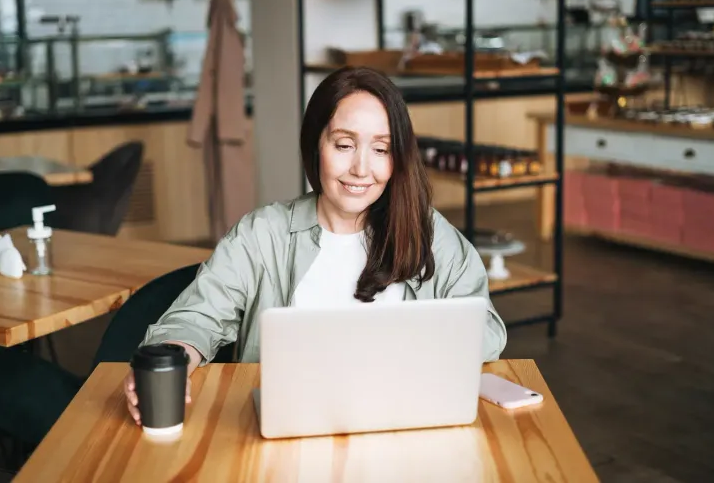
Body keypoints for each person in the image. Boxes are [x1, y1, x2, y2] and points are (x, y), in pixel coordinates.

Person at [124, 66, 507, 425]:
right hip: (289, 431)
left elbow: (486, 330)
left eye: (381, 149)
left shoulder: (430, 233)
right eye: (344, 145)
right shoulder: (263, 234)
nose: (361, 168)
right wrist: (170, 360)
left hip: (402, 425)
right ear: (315, 146)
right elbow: (196, 318)